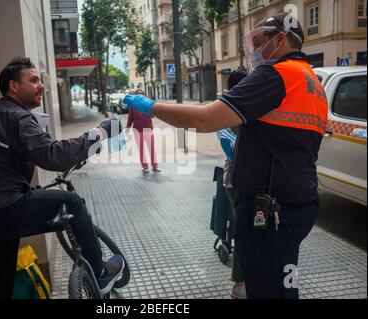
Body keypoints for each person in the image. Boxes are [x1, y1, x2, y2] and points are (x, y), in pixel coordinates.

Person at [123, 13, 328, 299]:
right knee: (283, 283)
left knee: (266, 289)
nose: (253, 50)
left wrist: (150, 106)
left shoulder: (277, 75)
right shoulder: (312, 81)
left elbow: (205, 120)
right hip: (296, 205)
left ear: (280, 39)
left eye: (258, 42)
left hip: (268, 210)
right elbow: (278, 133)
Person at [0, 57, 124, 299]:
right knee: (71, 203)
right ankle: (100, 271)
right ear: (13, 86)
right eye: (34, 80)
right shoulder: (17, 116)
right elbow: (53, 155)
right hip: (3, 211)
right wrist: (100, 132)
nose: (41, 86)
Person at [216, 68, 248, 299]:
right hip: (235, 180)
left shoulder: (250, 105)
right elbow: (230, 147)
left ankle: (246, 281)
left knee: (250, 231)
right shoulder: (226, 109)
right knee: (244, 232)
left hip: (253, 179)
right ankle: (239, 284)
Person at [126, 89, 161, 174]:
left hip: (148, 129)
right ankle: (145, 167)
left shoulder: (148, 104)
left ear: (144, 95)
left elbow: (153, 115)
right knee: (141, 149)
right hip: (137, 130)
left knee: (151, 148)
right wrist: (127, 128)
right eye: (138, 94)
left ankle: (155, 165)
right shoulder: (132, 106)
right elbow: (130, 118)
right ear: (136, 95)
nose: (140, 95)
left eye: (142, 94)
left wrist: (151, 109)